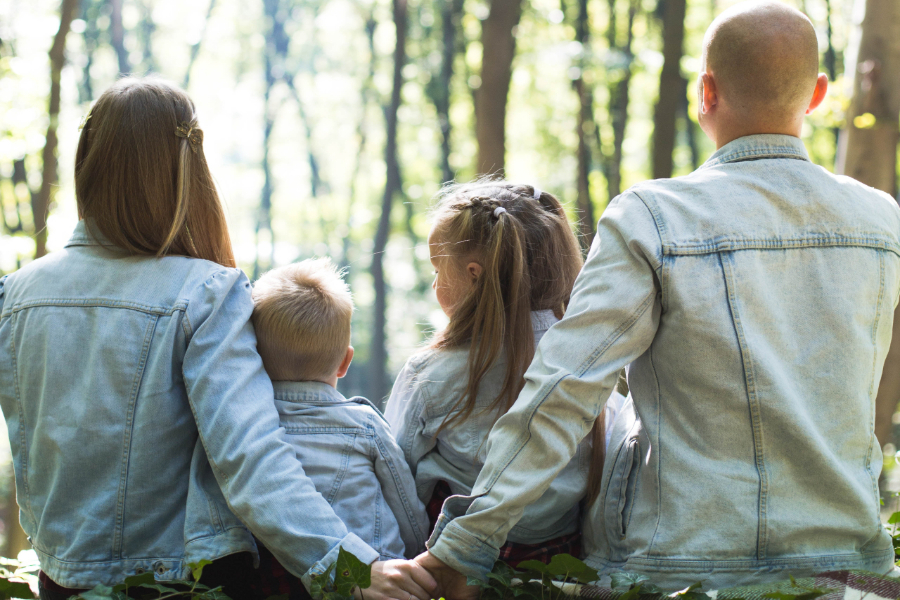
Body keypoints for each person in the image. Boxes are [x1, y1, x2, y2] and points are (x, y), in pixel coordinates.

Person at [415, 1, 900, 594]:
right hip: (849, 564)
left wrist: (466, 545)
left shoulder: (653, 218)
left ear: (706, 92)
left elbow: (564, 388)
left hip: (677, 565)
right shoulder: (882, 223)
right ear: (819, 94)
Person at [0, 77, 436, 600]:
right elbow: (250, 457)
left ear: (87, 161)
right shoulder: (206, 292)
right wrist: (352, 569)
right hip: (176, 585)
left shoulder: (17, 293)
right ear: (187, 167)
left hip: (59, 581)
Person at [386, 181, 624, 565]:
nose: (434, 284)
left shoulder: (431, 373)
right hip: (558, 563)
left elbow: (396, 473)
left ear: (474, 274)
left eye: (437, 269)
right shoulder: (591, 367)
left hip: (449, 562)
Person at [248, 258, 430, 597]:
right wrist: (418, 553)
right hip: (375, 579)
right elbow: (406, 505)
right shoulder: (364, 425)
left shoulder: (247, 428)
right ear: (345, 362)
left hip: (283, 582)